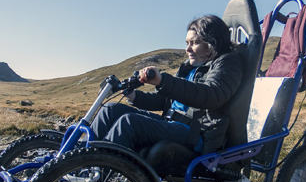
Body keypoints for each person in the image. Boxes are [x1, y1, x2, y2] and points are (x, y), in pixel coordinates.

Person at [91, 15, 243, 155]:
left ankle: (96, 173)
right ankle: (76, 164)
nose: (187, 49)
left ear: (212, 43)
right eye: (187, 43)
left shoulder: (228, 62)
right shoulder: (189, 67)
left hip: (195, 132)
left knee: (129, 123)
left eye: (195, 43)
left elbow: (211, 95)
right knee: (109, 110)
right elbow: (164, 100)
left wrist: (163, 81)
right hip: (171, 123)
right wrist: (134, 96)